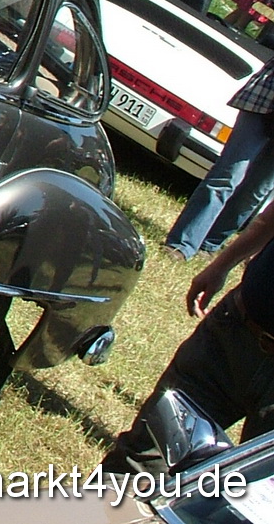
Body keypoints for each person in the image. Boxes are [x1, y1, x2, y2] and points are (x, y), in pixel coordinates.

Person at [105, 194, 274, 475]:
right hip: (233, 336)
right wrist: (220, 266)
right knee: (141, 457)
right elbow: (270, 219)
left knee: (251, 500)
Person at [166, 58, 274, 260]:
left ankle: (209, 244)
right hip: (264, 102)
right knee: (228, 175)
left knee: (256, 191)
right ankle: (182, 244)